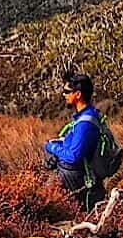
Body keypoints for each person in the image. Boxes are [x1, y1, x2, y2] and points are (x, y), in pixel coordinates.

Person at [44, 73, 106, 212]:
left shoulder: (85, 122)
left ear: (78, 94)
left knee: (45, 204)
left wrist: (51, 147)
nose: (63, 95)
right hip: (73, 174)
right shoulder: (86, 115)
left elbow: (73, 156)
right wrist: (62, 142)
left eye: (67, 91)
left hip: (73, 178)